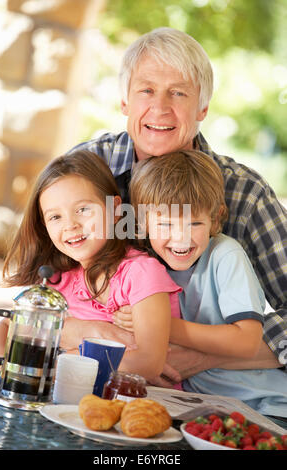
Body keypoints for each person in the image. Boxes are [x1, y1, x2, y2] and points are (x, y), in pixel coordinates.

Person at [68, 26, 287, 382]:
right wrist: (91, 332)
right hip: (93, 372)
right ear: (125, 100)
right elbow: (36, 289)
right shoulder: (88, 170)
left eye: (178, 93)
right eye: (147, 90)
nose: (160, 107)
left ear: (202, 107)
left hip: (203, 393)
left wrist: (203, 358)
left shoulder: (243, 194)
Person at [0, 150, 182, 381]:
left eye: (82, 209)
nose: (70, 225)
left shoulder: (141, 273)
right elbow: (4, 328)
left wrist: (58, 356)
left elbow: (148, 363)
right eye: (55, 217)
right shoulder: (60, 280)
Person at [123, 150, 287, 419]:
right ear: (142, 223)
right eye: (165, 224)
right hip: (202, 406)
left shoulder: (226, 255)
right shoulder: (144, 264)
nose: (181, 238)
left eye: (195, 223)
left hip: (264, 405)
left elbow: (247, 340)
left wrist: (161, 325)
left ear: (215, 218)